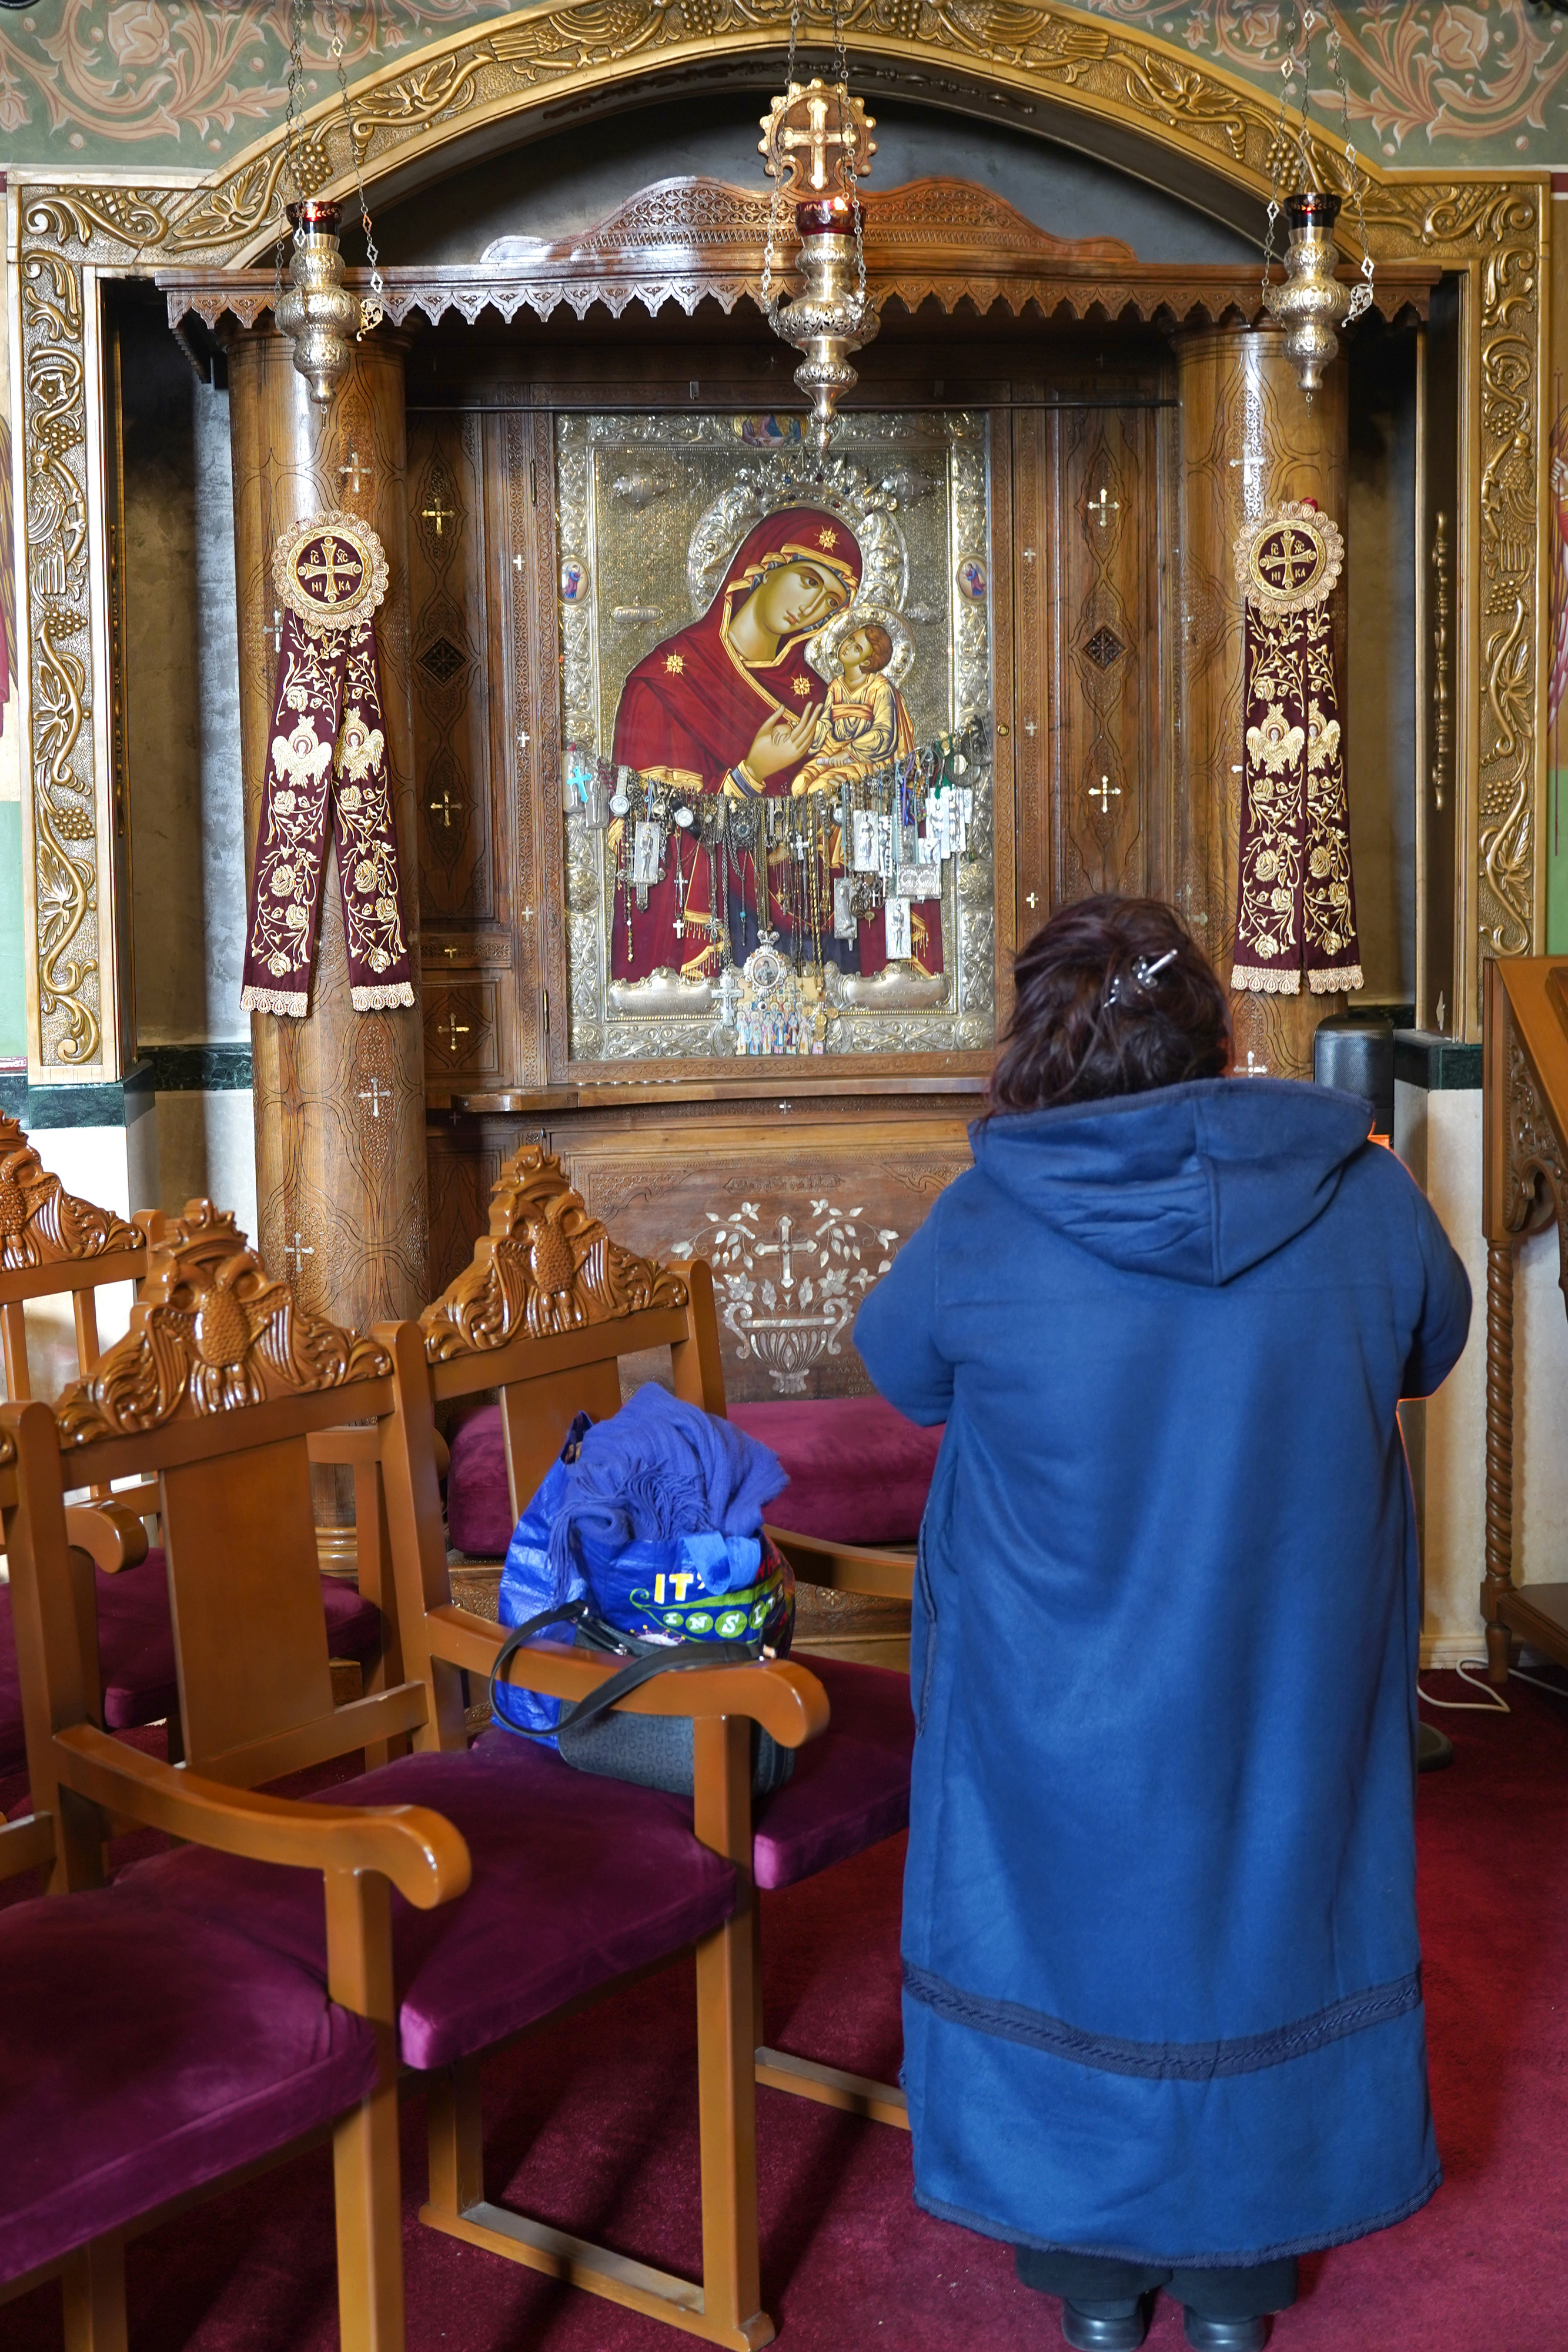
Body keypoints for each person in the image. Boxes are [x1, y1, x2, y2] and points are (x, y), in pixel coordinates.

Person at [853, 895, 1471, 2352]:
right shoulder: (1361, 1187)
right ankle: (1240, 2301)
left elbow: (901, 1373)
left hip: (1059, 1688)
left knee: (1068, 1937)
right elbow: (1433, 1339)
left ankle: (1095, 2300)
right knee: (1273, 1928)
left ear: (1040, 1052)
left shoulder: (991, 1215)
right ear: (1220, 1035)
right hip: (1287, 1672)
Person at [609, 507, 861, 978]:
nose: (811, 610)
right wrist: (750, 775)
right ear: (763, 564)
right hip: (700, 940)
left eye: (830, 602)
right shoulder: (663, 682)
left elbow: (835, 826)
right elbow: (644, 835)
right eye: (808, 581)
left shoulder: (818, 700)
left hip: (795, 941)